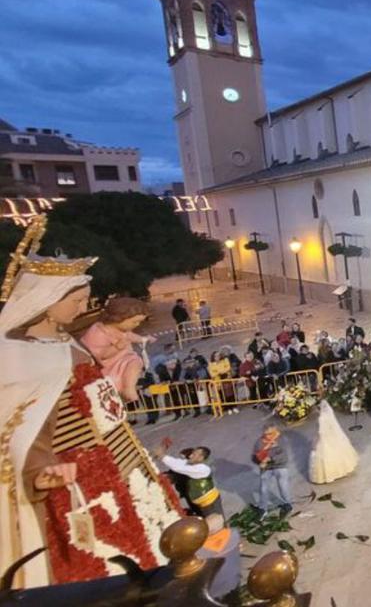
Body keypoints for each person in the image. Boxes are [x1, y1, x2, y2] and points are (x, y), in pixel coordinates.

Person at [0, 225, 184, 588]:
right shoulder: (18, 358)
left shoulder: (68, 342)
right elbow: (24, 428)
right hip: (82, 473)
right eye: (76, 300)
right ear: (45, 302)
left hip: (120, 454)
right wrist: (39, 470)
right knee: (110, 560)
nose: (85, 307)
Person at [80, 296, 155, 398]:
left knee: (135, 362)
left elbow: (130, 336)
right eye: (134, 321)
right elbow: (99, 355)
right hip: (107, 366)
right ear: (119, 318)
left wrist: (143, 339)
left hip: (121, 360)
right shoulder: (99, 332)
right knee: (134, 361)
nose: (137, 325)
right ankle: (128, 388)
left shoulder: (121, 329)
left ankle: (129, 386)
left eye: (139, 322)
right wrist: (117, 347)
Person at [155, 444, 224, 530]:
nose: (190, 456)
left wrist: (162, 456)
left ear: (201, 458)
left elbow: (179, 468)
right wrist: (163, 456)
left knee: (216, 525)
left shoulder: (202, 469)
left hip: (210, 504)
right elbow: (179, 463)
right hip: (201, 504)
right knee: (207, 524)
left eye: (194, 454)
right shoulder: (191, 464)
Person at [309, 400, 358, 484]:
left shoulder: (321, 418)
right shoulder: (328, 416)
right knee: (337, 452)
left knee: (324, 456)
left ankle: (329, 475)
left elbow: (320, 432)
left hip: (324, 440)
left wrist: (315, 443)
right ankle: (342, 469)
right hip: (333, 437)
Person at [252, 426, 292, 516]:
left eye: (270, 434)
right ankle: (263, 509)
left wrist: (269, 458)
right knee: (263, 488)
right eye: (265, 434)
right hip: (266, 468)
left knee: (283, 486)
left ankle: (288, 503)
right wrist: (259, 461)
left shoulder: (282, 440)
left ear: (275, 432)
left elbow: (283, 457)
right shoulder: (259, 442)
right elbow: (254, 456)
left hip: (280, 466)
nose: (267, 436)